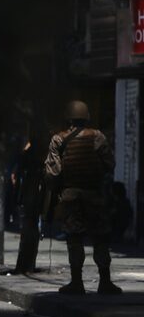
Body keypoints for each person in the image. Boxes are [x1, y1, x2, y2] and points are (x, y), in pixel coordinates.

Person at [44, 100, 121, 295]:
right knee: (101, 238)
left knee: (75, 239)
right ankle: (105, 282)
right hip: (95, 196)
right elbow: (110, 164)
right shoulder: (97, 136)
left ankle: (77, 282)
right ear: (86, 117)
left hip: (71, 197)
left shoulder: (58, 140)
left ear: (67, 117)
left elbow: (53, 173)